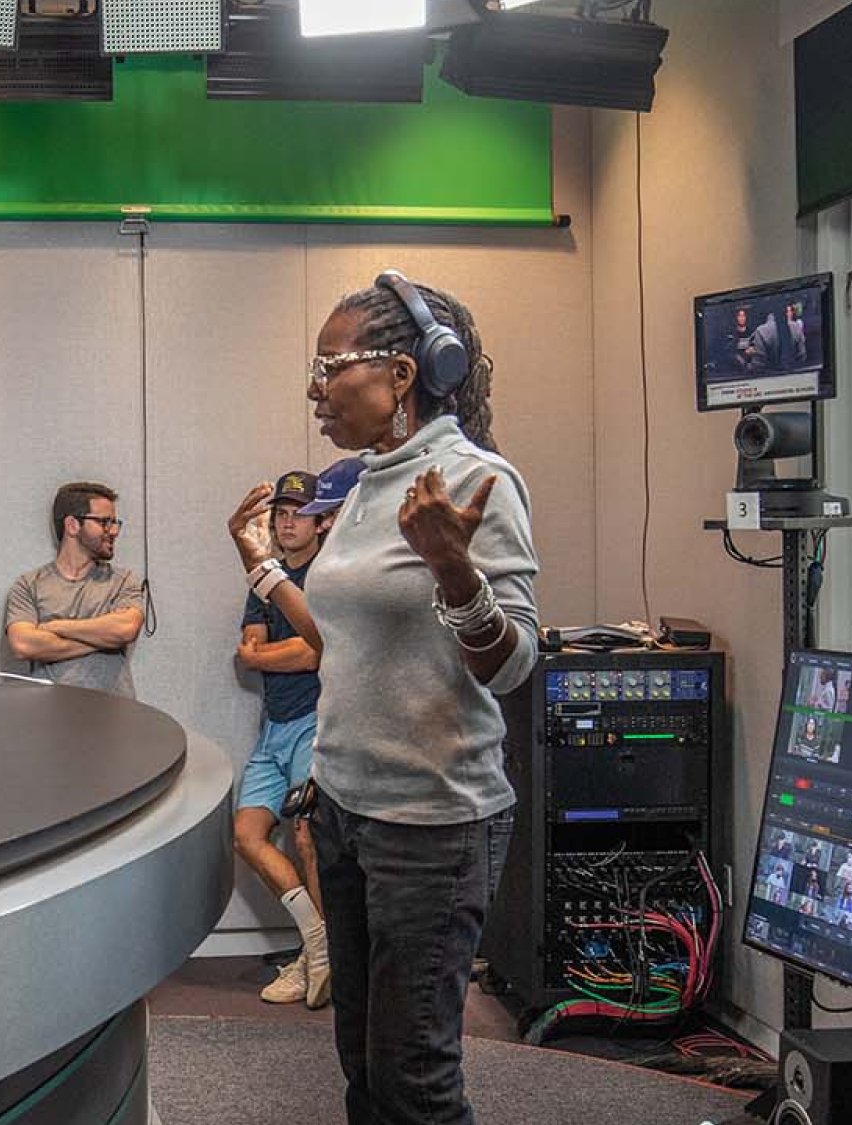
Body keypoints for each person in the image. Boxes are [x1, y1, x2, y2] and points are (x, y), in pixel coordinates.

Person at [230, 271, 539, 1124]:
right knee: (361, 1063)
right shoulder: (362, 484)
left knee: (415, 1079)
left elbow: (512, 666)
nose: (316, 390)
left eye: (331, 366)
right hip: (345, 811)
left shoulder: (475, 482)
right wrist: (260, 564)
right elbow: (341, 640)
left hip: (432, 824)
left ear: (402, 375)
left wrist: (453, 567)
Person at [233, 466, 344, 1007]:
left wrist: (273, 655)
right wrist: (282, 655)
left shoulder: (327, 577)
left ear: (321, 522)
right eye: (278, 514)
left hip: (315, 724)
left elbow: (317, 651)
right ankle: (317, 943)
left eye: (297, 513)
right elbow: (247, 653)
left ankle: (322, 960)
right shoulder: (265, 579)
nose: (285, 522)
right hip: (272, 729)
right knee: (247, 835)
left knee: (307, 837)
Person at [2, 481, 149, 696]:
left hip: (115, 717)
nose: (114, 531)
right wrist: (102, 639)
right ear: (72, 525)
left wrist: (55, 626)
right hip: (50, 718)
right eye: (104, 522)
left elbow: (125, 630)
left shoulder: (123, 581)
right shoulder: (28, 585)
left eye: (115, 522)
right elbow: (24, 644)